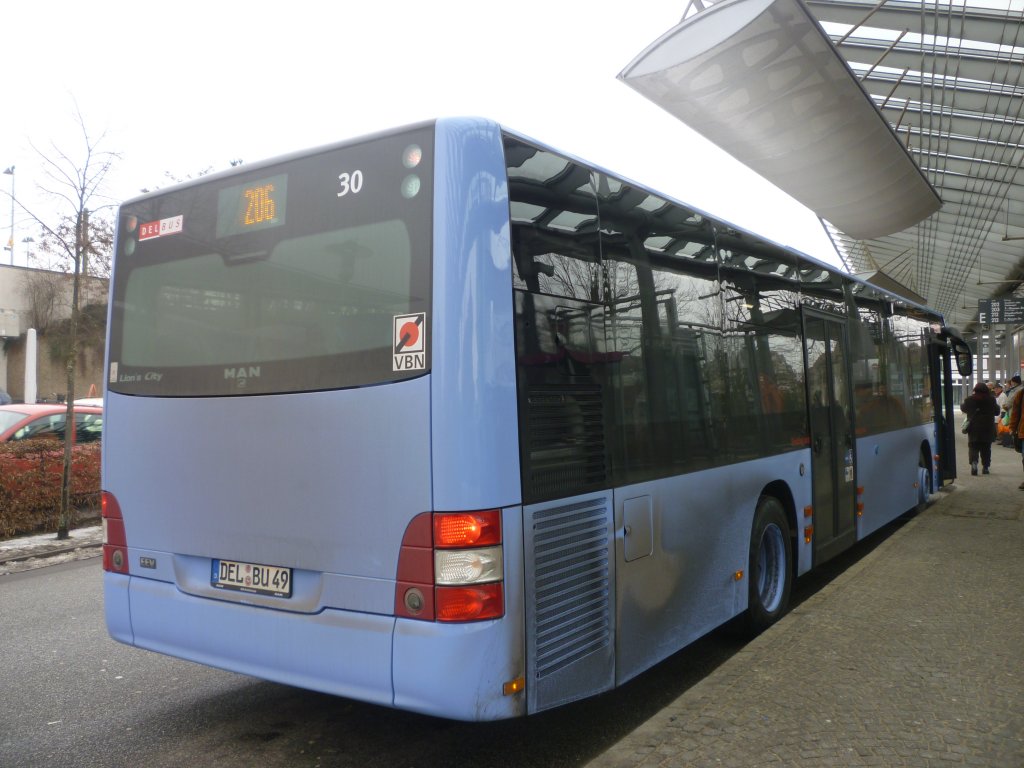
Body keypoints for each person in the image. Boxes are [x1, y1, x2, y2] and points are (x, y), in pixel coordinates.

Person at [960, 382, 999, 475]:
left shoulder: (969, 400)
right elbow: (997, 411)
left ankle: (974, 464)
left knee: (973, 446)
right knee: (986, 448)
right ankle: (985, 467)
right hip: (987, 428)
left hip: (974, 428)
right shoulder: (991, 399)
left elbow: (963, 408)